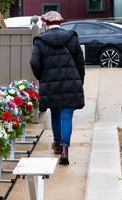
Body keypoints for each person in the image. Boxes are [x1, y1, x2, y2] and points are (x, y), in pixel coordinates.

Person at [30, 11, 85, 165]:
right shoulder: (72, 38)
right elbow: (80, 62)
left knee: (55, 114)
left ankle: (57, 144)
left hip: (50, 83)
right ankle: (65, 149)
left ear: (46, 23)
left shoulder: (40, 41)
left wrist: (42, 76)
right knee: (66, 115)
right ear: (60, 22)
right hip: (71, 82)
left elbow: (34, 63)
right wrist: (80, 80)